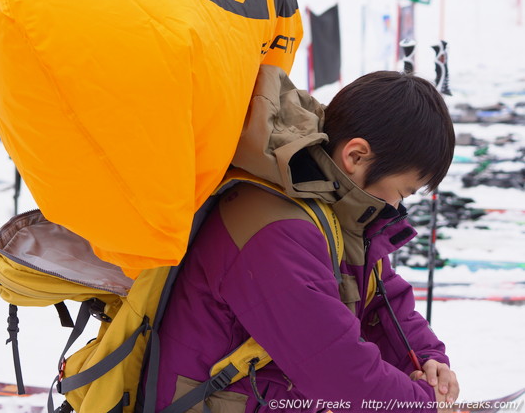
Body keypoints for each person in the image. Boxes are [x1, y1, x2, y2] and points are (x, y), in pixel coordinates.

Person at [153, 67, 459, 413]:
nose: (397, 206)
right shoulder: (277, 230)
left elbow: (381, 298)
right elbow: (340, 373)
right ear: (356, 156)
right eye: (403, 192)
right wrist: (423, 406)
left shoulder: (332, 208)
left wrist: (427, 361)